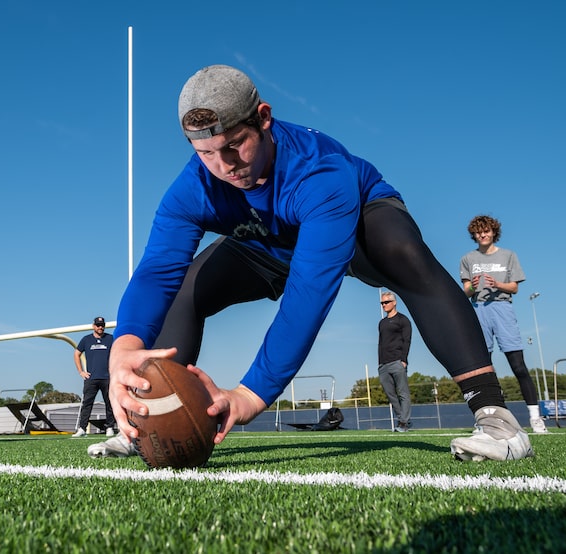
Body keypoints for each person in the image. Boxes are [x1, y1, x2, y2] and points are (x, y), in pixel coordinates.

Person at [88, 64, 532, 462]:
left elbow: (308, 293)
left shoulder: (320, 173)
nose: (224, 166)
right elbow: (156, 271)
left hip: (353, 224)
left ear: (263, 118)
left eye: (235, 146)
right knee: (186, 288)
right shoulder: (192, 187)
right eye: (205, 153)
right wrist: (124, 350)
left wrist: (249, 394)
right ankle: (145, 423)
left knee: (404, 253)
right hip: (266, 239)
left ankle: (497, 419)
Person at [460, 215, 547, 434]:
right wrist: (475, 286)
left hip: (502, 308)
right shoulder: (468, 259)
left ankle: (536, 418)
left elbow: (515, 288)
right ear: (474, 235)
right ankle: (487, 420)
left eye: (486, 231)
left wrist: (497, 284)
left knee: (517, 364)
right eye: (479, 232)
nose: (483, 235)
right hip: (479, 309)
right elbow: (466, 290)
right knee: (483, 367)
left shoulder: (508, 255)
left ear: (493, 232)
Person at [72, 317, 116, 437]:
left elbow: (118, 353)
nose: (100, 327)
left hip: (108, 378)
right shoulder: (86, 340)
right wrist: (81, 371)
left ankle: (110, 427)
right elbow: (77, 354)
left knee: (110, 403)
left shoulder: (110, 339)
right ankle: (82, 429)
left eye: (102, 325)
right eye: (98, 325)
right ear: (93, 326)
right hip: (91, 378)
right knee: (87, 403)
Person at [377, 292, 412, 433]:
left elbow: (407, 340)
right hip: (383, 364)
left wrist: (403, 360)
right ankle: (402, 419)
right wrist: (379, 362)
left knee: (403, 393)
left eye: (387, 302)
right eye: (382, 303)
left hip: (397, 361)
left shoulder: (403, 320)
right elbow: (380, 343)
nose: (384, 305)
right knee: (390, 394)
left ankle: (403, 422)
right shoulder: (382, 323)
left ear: (394, 302)